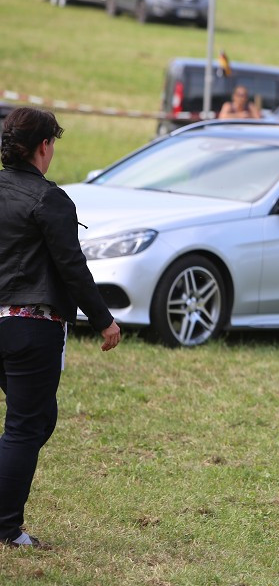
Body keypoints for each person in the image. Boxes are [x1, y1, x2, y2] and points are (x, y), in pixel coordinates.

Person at [0, 108, 121, 548]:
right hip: (30, 329)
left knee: (36, 420)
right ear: (43, 147)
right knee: (26, 427)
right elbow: (72, 267)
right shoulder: (50, 199)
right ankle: (7, 529)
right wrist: (104, 319)